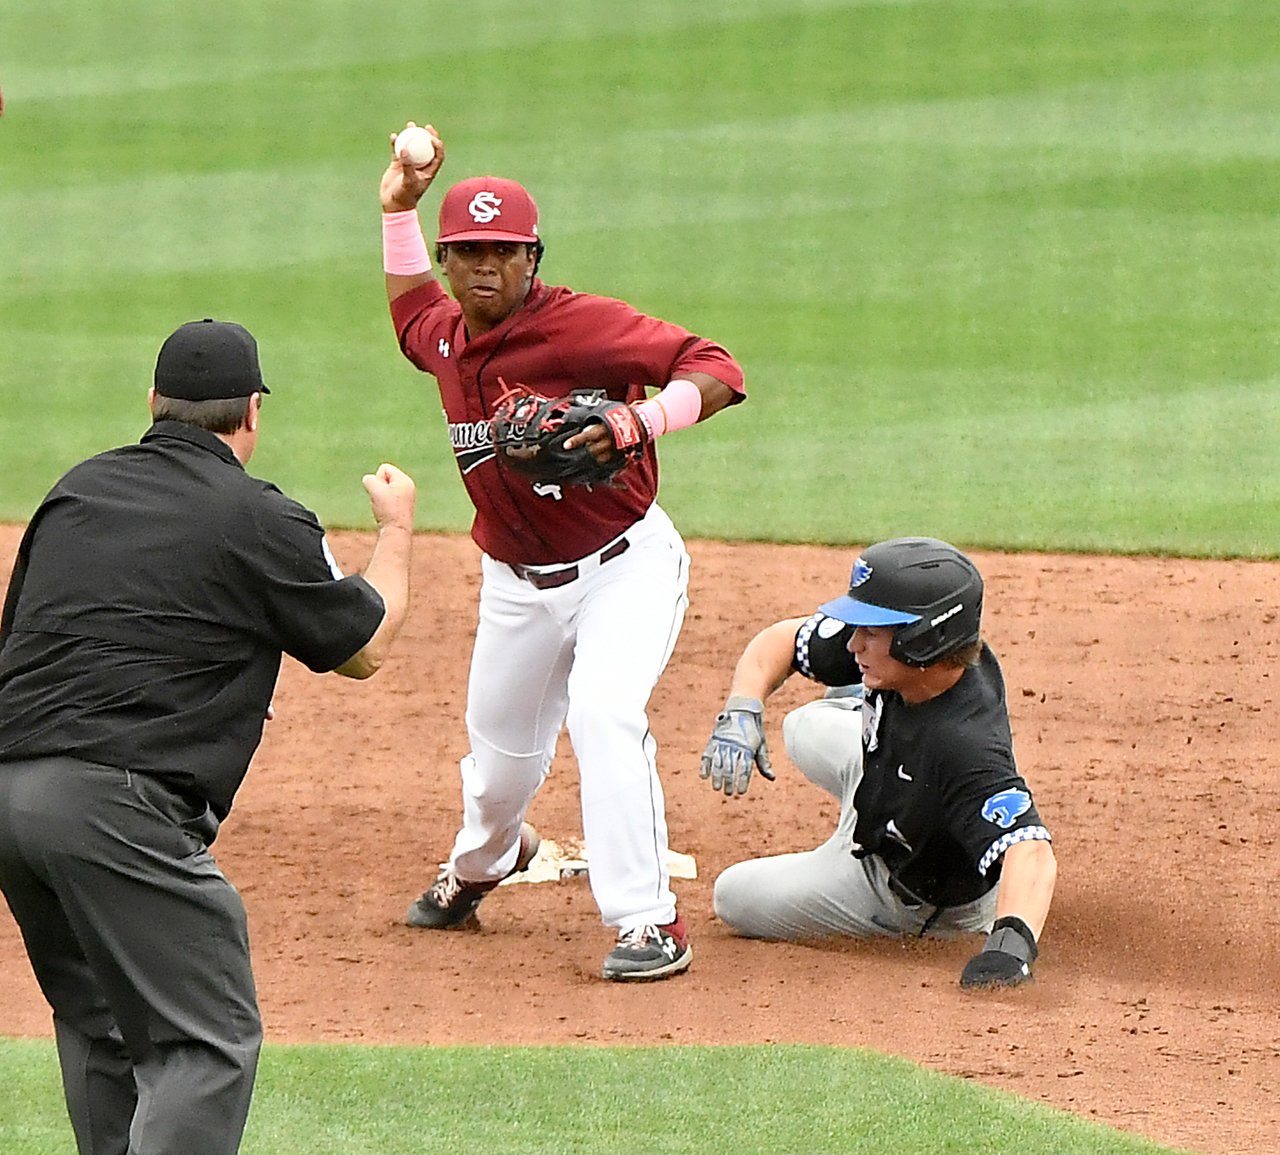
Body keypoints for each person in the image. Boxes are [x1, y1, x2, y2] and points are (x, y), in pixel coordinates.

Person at [0, 318, 416, 1155]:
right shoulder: (259, 515)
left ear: (154, 402)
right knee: (206, 1037)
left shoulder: (77, 490)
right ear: (252, 412)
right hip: (114, 808)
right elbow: (365, 646)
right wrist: (397, 530)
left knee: (102, 1021)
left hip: (12, 796)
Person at [378, 122, 745, 981]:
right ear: (448, 259)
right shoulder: (444, 336)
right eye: (468, 252)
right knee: (499, 768)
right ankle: (485, 862)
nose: (485, 268)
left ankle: (649, 921)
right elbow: (410, 310)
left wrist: (639, 419)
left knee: (604, 713)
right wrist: (396, 210)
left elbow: (717, 367)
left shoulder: (581, 326)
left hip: (625, 565)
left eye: (503, 252)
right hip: (515, 585)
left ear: (532, 258)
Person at [701, 536, 1057, 988]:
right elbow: (783, 640)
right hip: (888, 786)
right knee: (801, 725)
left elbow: (1031, 850)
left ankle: (908, 913)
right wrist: (743, 706)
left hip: (904, 892)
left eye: (870, 631)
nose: (854, 644)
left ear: (923, 638)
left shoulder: (965, 747)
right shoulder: (911, 657)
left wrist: (1009, 950)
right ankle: (861, 744)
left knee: (732, 896)